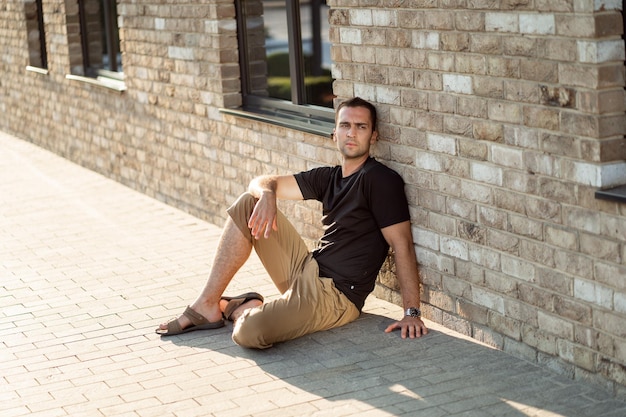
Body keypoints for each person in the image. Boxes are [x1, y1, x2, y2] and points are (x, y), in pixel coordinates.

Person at [156, 97, 428, 348]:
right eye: (345, 125)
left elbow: (401, 245)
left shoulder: (380, 180)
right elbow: (260, 182)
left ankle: (239, 309)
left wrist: (411, 313)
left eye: (361, 126)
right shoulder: (328, 177)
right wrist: (268, 194)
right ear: (334, 134)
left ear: (373, 136)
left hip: (335, 296)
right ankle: (206, 303)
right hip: (307, 268)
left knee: (248, 333)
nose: (351, 133)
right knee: (247, 203)